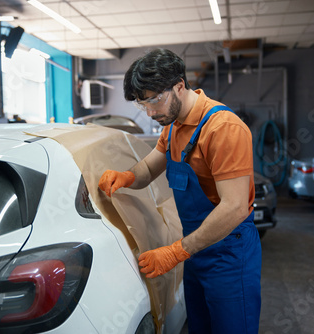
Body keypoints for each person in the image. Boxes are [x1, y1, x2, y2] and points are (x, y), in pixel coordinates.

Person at [98, 48, 262, 334]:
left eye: (154, 101)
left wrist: (176, 251)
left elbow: (234, 207)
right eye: (142, 104)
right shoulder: (172, 127)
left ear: (179, 86)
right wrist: (126, 176)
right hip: (196, 251)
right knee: (200, 327)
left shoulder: (223, 129)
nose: (150, 112)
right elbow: (148, 170)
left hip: (229, 254)